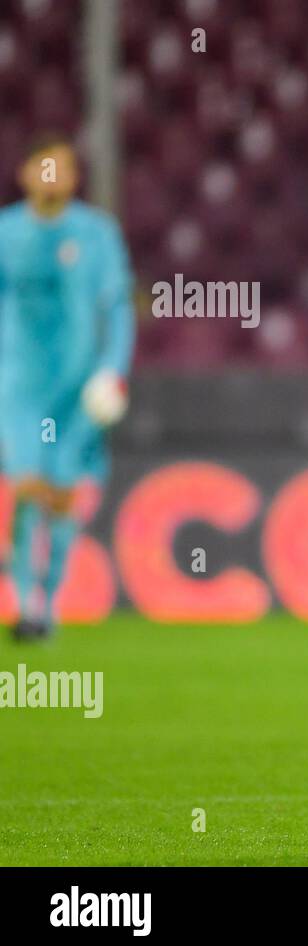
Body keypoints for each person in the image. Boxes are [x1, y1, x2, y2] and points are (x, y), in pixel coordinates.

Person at [0, 135, 134, 640]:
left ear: (75, 179)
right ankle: (23, 600)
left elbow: (117, 305)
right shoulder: (6, 232)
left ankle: (46, 606)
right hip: (19, 383)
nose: (53, 176)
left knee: (59, 495)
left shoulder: (97, 234)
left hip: (76, 387)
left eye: (63, 168)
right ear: (26, 174)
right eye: (45, 166)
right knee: (25, 483)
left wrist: (113, 369)